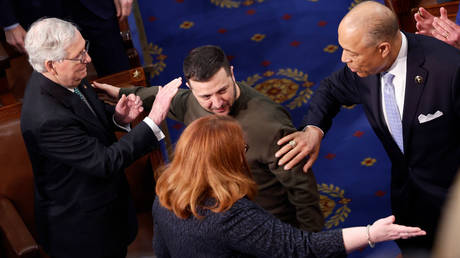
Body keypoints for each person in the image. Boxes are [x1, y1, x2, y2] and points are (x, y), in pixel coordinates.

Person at [275, 1, 460, 253]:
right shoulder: (363, 69)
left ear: (383, 48)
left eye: (351, 52)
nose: (343, 58)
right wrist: (313, 130)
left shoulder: (449, 69)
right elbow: (330, 89)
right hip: (408, 200)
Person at [93, 45, 324, 232]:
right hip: (222, 216)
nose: (216, 103)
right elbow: (161, 97)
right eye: (205, 96)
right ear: (191, 89)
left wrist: (311, 243)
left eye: (222, 90)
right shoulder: (191, 102)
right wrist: (122, 93)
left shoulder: (270, 125)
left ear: (232, 73)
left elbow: (303, 192)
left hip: (268, 225)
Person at [152, 115, 425, 257]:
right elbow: (300, 248)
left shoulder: (165, 193)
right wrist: (371, 234)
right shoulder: (229, 215)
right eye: (242, 149)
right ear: (225, 161)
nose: (244, 154)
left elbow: (162, 251)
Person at [20, 18, 181, 258]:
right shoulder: (46, 119)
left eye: (85, 48)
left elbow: (84, 115)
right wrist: (153, 119)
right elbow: (104, 162)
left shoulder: (65, 74)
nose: (88, 59)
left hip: (108, 207)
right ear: (51, 65)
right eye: (79, 55)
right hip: (84, 231)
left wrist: (118, 117)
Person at [0, 0, 133, 76]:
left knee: (120, 76)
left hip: (96, 6)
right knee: (59, 85)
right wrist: (9, 22)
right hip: (36, 11)